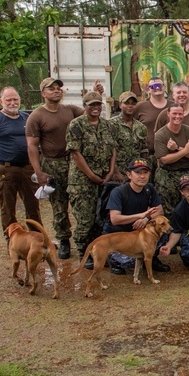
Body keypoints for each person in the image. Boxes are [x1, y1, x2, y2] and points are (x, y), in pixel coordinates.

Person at [25, 77, 85, 258]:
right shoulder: (36, 116)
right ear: (43, 93)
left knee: (80, 203)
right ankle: (64, 240)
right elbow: (32, 146)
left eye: (58, 88)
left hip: (73, 162)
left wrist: (95, 93)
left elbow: (91, 112)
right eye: (51, 89)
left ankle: (83, 241)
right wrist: (38, 172)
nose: (57, 90)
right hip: (52, 163)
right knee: (59, 205)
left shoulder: (70, 110)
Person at [0, 86, 42, 235]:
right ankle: (12, 243)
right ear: (1, 101)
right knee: (8, 209)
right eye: (9, 100)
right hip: (4, 170)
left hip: (27, 169)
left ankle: (38, 239)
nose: (13, 103)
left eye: (15, 99)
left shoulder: (27, 118)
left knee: (33, 206)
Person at [66, 91, 118, 260]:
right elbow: (75, 154)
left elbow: (113, 150)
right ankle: (83, 250)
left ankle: (98, 250)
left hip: (103, 179)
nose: (95, 108)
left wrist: (111, 172)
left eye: (98, 104)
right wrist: (91, 175)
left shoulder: (107, 125)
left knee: (100, 218)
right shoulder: (76, 125)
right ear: (85, 107)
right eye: (92, 105)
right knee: (85, 218)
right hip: (82, 181)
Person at [99, 158, 167, 275]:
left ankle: (150, 256)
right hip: (119, 236)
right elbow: (115, 219)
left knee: (165, 232)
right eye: (138, 173)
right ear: (129, 175)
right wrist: (139, 216)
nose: (142, 176)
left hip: (137, 236)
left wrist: (146, 219)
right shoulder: (119, 192)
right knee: (129, 262)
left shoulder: (149, 189)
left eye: (145, 173)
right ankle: (113, 260)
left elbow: (159, 211)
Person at [154, 104, 189, 213]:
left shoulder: (188, 131)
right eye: (174, 113)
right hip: (167, 175)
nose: (177, 116)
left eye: (180, 114)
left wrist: (176, 148)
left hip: (187, 173)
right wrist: (185, 150)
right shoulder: (161, 134)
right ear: (168, 114)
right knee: (168, 209)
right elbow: (164, 159)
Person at [110, 91, 149, 182]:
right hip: (119, 171)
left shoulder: (141, 127)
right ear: (120, 105)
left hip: (136, 172)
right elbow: (109, 151)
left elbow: (143, 150)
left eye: (133, 103)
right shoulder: (111, 125)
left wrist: (143, 170)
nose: (130, 106)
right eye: (126, 103)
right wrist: (115, 172)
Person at [133, 76, 172, 156]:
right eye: (154, 86)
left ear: (164, 87)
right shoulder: (140, 107)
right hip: (147, 154)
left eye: (159, 85)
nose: (157, 88)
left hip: (170, 153)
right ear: (148, 89)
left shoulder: (173, 106)